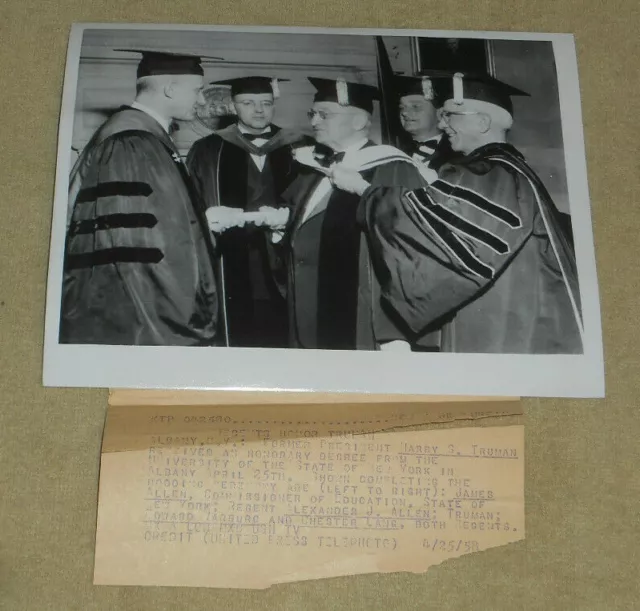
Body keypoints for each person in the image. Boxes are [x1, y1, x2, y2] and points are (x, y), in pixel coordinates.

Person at [330, 72, 584, 354]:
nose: (441, 123)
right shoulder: (505, 168)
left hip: (509, 316)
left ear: (483, 122)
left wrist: (364, 191)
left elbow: (438, 232)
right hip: (517, 305)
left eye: (450, 115)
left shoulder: (490, 172)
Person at [60, 49, 219, 346]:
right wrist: (173, 318)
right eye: (198, 91)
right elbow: (136, 246)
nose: (201, 101)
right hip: (140, 314)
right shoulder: (132, 142)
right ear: (171, 89)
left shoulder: (141, 135)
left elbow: (150, 219)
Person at [282, 77, 433, 352]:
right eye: (312, 113)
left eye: (324, 114)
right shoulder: (315, 166)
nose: (314, 121)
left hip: (359, 305)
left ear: (358, 122)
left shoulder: (392, 167)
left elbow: (409, 241)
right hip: (309, 299)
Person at [187, 76, 302, 347]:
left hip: (286, 256)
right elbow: (194, 203)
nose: (259, 110)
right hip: (232, 258)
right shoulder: (208, 149)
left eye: (266, 103)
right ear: (233, 106)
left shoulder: (299, 145)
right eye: (248, 103)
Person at [395, 70, 455, 172]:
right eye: (402, 107)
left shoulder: (456, 155)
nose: (404, 113)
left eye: (415, 107)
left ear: (440, 113)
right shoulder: (393, 151)